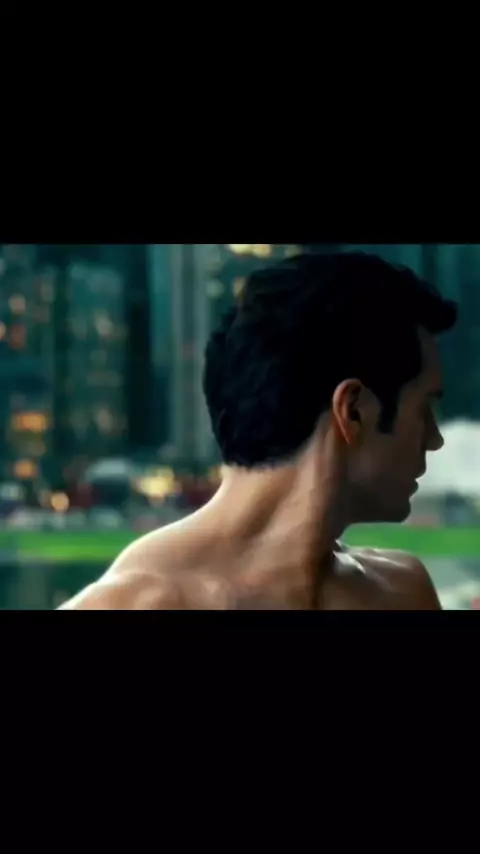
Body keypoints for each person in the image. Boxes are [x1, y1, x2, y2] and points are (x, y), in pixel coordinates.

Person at [59, 252, 457, 610]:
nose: (435, 439)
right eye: (424, 409)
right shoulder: (133, 605)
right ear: (352, 411)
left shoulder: (402, 591)